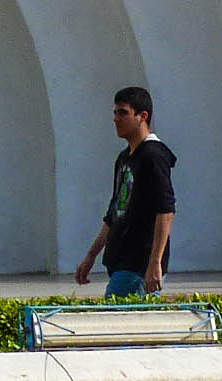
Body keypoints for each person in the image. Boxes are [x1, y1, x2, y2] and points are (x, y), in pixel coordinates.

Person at [73, 86, 175, 298]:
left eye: (123, 113)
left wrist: (155, 262)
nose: (116, 119)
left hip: (139, 263)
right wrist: (91, 256)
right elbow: (115, 212)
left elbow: (165, 210)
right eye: (115, 113)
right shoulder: (124, 158)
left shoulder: (153, 156)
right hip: (120, 260)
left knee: (117, 323)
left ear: (142, 116)